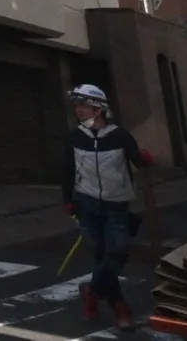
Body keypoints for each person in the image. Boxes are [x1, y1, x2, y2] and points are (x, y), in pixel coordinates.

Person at [61, 83, 152, 332]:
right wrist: (67, 199)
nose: (78, 110)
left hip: (116, 204)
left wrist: (143, 159)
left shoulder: (120, 136)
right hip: (86, 203)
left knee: (119, 250)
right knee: (101, 254)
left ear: (97, 109)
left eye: (82, 105)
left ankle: (92, 291)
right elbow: (67, 170)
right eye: (77, 106)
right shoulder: (74, 137)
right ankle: (121, 309)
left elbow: (136, 159)